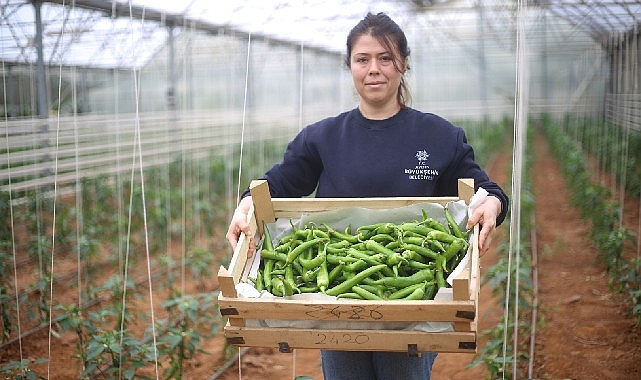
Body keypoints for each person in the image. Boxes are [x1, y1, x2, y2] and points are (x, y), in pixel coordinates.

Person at [226, 12, 509, 380]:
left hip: (414, 288)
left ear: (404, 64)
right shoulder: (323, 137)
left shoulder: (439, 135)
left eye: (385, 58)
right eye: (362, 59)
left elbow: (484, 187)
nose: (373, 69)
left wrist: (492, 202)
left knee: (401, 370)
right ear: (350, 66)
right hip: (336, 293)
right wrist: (248, 202)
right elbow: (280, 183)